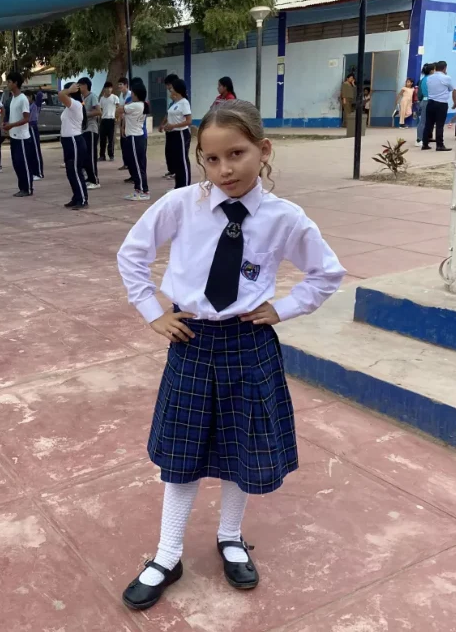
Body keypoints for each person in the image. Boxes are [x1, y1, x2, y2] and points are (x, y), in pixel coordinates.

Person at [116, 99, 345, 612]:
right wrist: (153, 312)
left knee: (240, 450)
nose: (224, 170)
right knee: (182, 455)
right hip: (192, 341)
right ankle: (168, 553)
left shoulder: (285, 218)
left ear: (263, 151)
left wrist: (283, 309)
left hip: (247, 343)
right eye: (211, 159)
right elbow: (132, 254)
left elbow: (327, 272)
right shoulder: (182, 204)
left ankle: (230, 536)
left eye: (236, 154)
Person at [3, 71, 36, 198]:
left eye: (9, 82)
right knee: (16, 164)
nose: (8, 84)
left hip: (22, 137)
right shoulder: (13, 99)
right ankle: (22, 187)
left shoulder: (22, 99)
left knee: (23, 163)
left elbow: (26, 118)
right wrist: (7, 125)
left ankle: (27, 188)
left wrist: (12, 125)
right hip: (14, 136)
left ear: (16, 83)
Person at [58, 82, 89, 210]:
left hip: (74, 141)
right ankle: (76, 197)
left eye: (68, 89)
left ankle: (82, 199)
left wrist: (67, 90)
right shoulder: (70, 107)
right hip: (68, 141)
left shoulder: (75, 105)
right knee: (70, 171)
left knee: (76, 171)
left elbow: (60, 95)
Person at [118, 79, 149, 201]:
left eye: (133, 93)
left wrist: (121, 106)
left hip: (135, 138)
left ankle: (143, 191)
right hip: (136, 137)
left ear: (136, 94)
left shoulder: (136, 105)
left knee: (137, 165)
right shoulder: (140, 105)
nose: (131, 95)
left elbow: (119, 110)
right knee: (136, 164)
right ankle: (138, 189)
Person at [163, 79, 193, 190]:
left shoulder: (184, 102)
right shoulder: (175, 103)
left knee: (182, 160)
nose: (170, 89)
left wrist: (174, 126)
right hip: (172, 134)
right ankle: (178, 186)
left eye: (172, 87)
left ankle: (185, 186)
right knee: (175, 160)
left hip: (181, 133)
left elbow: (189, 121)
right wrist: (166, 125)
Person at [423, 61, 455, 152]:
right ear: (445, 68)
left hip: (430, 102)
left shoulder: (429, 78)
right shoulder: (446, 78)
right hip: (441, 103)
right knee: (439, 125)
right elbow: (451, 88)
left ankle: (425, 143)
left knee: (428, 124)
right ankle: (439, 145)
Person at [78, 77, 102, 189]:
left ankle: (95, 180)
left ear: (86, 86)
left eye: (80, 85)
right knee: (85, 156)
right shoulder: (82, 97)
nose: (78, 87)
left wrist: (84, 114)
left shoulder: (92, 96)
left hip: (91, 130)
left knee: (91, 156)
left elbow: (98, 111)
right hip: (83, 130)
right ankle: (89, 178)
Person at [160, 74, 180, 180]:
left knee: (176, 152)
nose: (168, 88)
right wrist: (162, 124)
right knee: (169, 151)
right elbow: (168, 113)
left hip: (177, 130)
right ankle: (171, 170)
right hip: (169, 129)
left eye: (169, 85)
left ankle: (177, 172)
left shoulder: (181, 99)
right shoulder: (172, 100)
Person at [415, 62, 435, 147]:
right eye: (434, 69)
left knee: (424, 121)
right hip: (427, 101)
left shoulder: (423, 79)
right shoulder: (430, 79)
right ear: (431, 71)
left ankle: (423, 138)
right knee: (423, 122)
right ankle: (419, 139)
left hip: (424, 101)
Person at [99, 81, 119, 162]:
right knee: (102, 139)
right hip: (104, 120)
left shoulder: (115, 97)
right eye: (107, 88)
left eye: (110, 88)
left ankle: (111, 155)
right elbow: (100, 109)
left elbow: (117, 108)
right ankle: (102, 155)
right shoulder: (102, 99)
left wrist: (116, 118)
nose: (108, 90)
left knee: (111, 139)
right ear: (104, 89)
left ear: (112, 89)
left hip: (111, 119)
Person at [27, 91, 45, 180]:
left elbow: (39, 95)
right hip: (27, 128)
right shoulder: (26, 106)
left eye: (27, 97)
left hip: (33, 127)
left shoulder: (35, 105)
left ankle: (39, 173)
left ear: (31, 97)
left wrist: (38, 91)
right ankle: (33, 172)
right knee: (30, 151)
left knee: (36, 150)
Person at [117, 77, 131, 172]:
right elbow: (119, 108)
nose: (119, 87)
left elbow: (125, 108)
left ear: (126, 85)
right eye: (118, 85)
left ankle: (130, 163)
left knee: (128, 143)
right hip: (122, 120)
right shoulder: (121, 95)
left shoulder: (130, 95)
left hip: (129, 121)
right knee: (123, 143)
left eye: (121, 85)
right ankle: (125, 163)